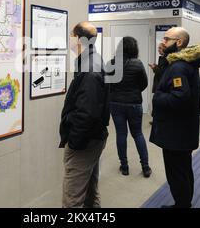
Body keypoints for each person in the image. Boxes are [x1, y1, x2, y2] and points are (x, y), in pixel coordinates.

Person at [149, 27, 200, 208]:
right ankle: (184, 203)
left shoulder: (179, 67)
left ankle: (182, 205)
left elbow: (179, 98)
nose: (162, 42)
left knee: (176, 172)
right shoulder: (184, 63)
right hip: (183, 130)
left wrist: (157, 97)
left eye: (166, 39)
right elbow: (170, 77)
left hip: (176, 132)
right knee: (183, 169)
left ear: (179, 42)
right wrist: (163, 57)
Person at [59, 21, 110, 208]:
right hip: (92, 138)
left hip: (85, 142)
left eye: (71, 35)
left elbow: (87, 113)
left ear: (79, 39)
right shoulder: (90, 60)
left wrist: (75, 141)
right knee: (89, 192)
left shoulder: (90, 68)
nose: (69, 39)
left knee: (72, 199)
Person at [108, 37, 152, 178]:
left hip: (116, 104)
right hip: (134, 104)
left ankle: (125, 166)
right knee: (138, 134)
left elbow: (107, 83)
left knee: (121, 134)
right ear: (134, 49)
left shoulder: (112, 63)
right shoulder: (138, 64)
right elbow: (144, 83)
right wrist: (134, 90)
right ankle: (145, 167)